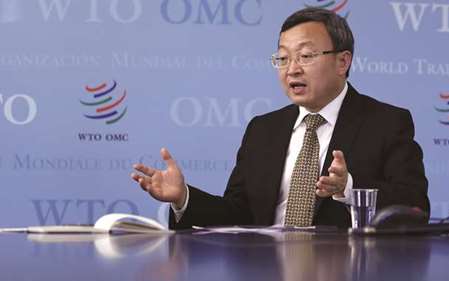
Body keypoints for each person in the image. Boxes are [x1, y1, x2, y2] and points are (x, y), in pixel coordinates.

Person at [131, 7, 429, 229]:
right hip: (265, 277)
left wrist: (348, 188)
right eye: (283, 58)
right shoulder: (264, 129)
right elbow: (238, 214)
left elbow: (414, 204)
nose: (292, 69)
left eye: (306, 56)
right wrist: (183, 198)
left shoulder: (386, 123)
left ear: (342, 61)